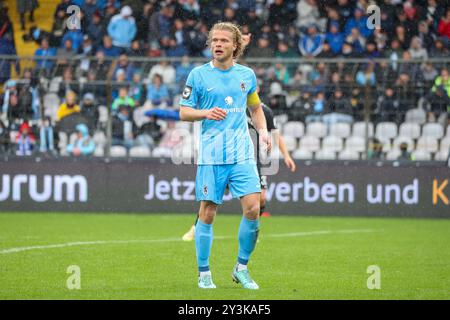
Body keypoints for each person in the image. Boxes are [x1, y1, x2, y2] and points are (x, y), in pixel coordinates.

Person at [179, 22, 271, 290]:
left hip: (242, 153)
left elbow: (255, 108)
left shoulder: (246, 75)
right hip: (212, 154)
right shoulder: (198, 75)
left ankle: (241, 268)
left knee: (253, 207)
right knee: (207, 213)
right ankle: (204, 273)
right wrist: (205, 113)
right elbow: (184, 112)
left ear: (235, 46)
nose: (217, 44)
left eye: (223, 40)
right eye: (214, 40)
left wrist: (264, 132)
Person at [182, 102, 297, 240]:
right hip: (230, 156)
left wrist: (286, 155)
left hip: (255, 158)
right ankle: (196, 228)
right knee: (213, 197)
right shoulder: (234, 105)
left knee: (261, 198)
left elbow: (275, 134)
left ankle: (251, 232)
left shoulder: (264, 111)